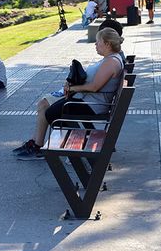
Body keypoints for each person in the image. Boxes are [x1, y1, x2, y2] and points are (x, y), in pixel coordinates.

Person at [14, 28, 125, 160]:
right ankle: (41, 146)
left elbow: (95, 87)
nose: (95, 45)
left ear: (107, 44)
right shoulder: (110, 59)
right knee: (50, 109)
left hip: (93, 104)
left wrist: (72, 88)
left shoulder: (111, 62)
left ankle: (72, 151)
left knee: (51, 113)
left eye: (98, 42)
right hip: (90, 100)